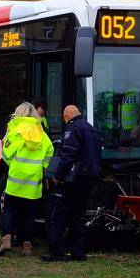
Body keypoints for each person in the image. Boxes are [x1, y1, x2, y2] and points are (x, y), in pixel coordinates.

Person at [43, 105, 101, 262]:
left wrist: (58, 176)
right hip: (89, 178)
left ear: (66, 117)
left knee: (55, 213)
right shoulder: (92, 129)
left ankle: (55, 252)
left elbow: (68, 154)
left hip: (72, 179)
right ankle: (78, 252)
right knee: (77, 216)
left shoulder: (72, 127)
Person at [0, 102, 54, 257]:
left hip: (16, 177)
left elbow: (6, 154)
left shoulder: (15, 129)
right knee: (29, 213)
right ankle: (27, 246)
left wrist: (14, 165)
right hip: (34, 180)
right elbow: (50, 151)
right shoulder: (41, 132)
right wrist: (42, 166)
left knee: (9, 209)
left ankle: (6, 240)